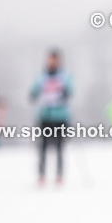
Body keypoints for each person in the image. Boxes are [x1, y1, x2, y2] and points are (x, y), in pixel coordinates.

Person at [29, 49, 72, 186]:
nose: (52, 62)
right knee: (42, 147)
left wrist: (65, 92)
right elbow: (33, 92)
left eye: (54, 59)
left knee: (60, 147)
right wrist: (35, 94)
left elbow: (71, 91)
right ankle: (41, 175)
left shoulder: (64, 76)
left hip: (60, 116)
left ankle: (59, 175)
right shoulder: (41, 76)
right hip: (45, 116)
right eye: (50, 59)